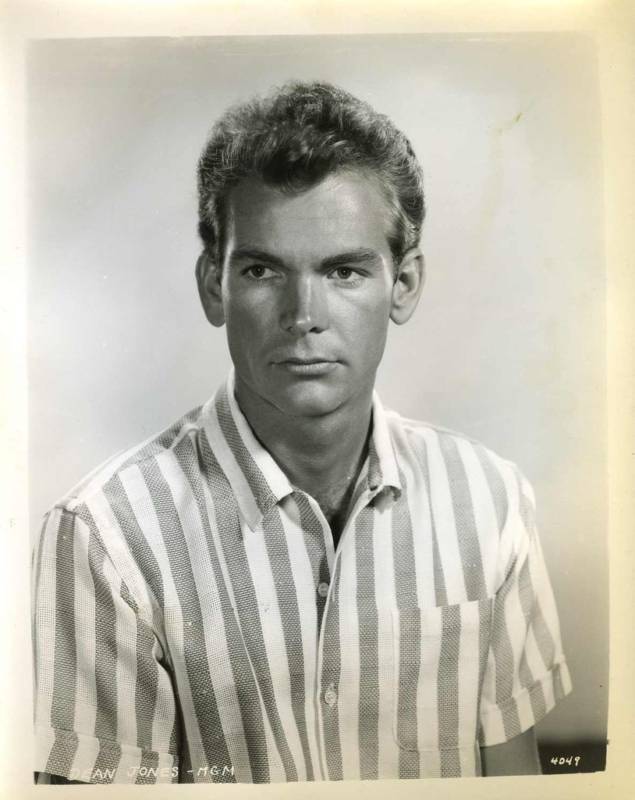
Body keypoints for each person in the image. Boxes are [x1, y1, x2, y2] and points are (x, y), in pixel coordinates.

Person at [32, 81, 571, 784]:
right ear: (214, 286)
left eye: (344, 271)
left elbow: (517, 784)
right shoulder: (106, 537)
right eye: (263, 270)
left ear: (404, 285)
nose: (303, 316)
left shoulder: (489, 499)